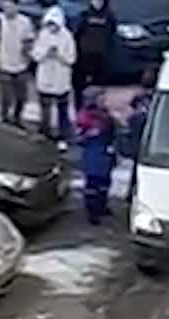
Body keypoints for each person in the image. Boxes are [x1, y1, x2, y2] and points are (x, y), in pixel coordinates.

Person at [0, 0, 34, 127]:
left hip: (21, 65)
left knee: (22, 97)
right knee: (6, 97)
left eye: (10, 6)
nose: (7, 9)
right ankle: (5, 119)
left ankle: (17, 118)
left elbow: (29, 42)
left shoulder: (25, 22)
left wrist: (28, 57)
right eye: (5, 7)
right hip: (4, 65)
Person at [34, 5, 76, 143]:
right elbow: (35, 55)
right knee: (45, 107)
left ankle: (64, 133)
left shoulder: (67, 37)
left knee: (62, 108)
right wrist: (46, 53)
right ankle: (45, 131)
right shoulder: (43, 34)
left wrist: (59, 55)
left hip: (61, 80)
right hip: (45, 78)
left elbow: (71, 59)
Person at [76, 86, 116, 225]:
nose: (104, 100)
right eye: (101, 98)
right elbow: (80, 135)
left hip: (104, 152)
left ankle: (102, 205)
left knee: (105, 181)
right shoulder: (86, 116)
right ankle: (92, 211)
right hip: (93, 153)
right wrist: (90, 134)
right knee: (93, 183)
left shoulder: (104, 114)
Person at [72, 0, 115, 102]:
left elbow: (112, 37)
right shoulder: (84, 15)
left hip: (101, 59)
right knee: (79, 87)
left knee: (98, 90)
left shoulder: (109, 17)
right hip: (83, 58)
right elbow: (77, 35)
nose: (97, 2)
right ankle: (80, 110)